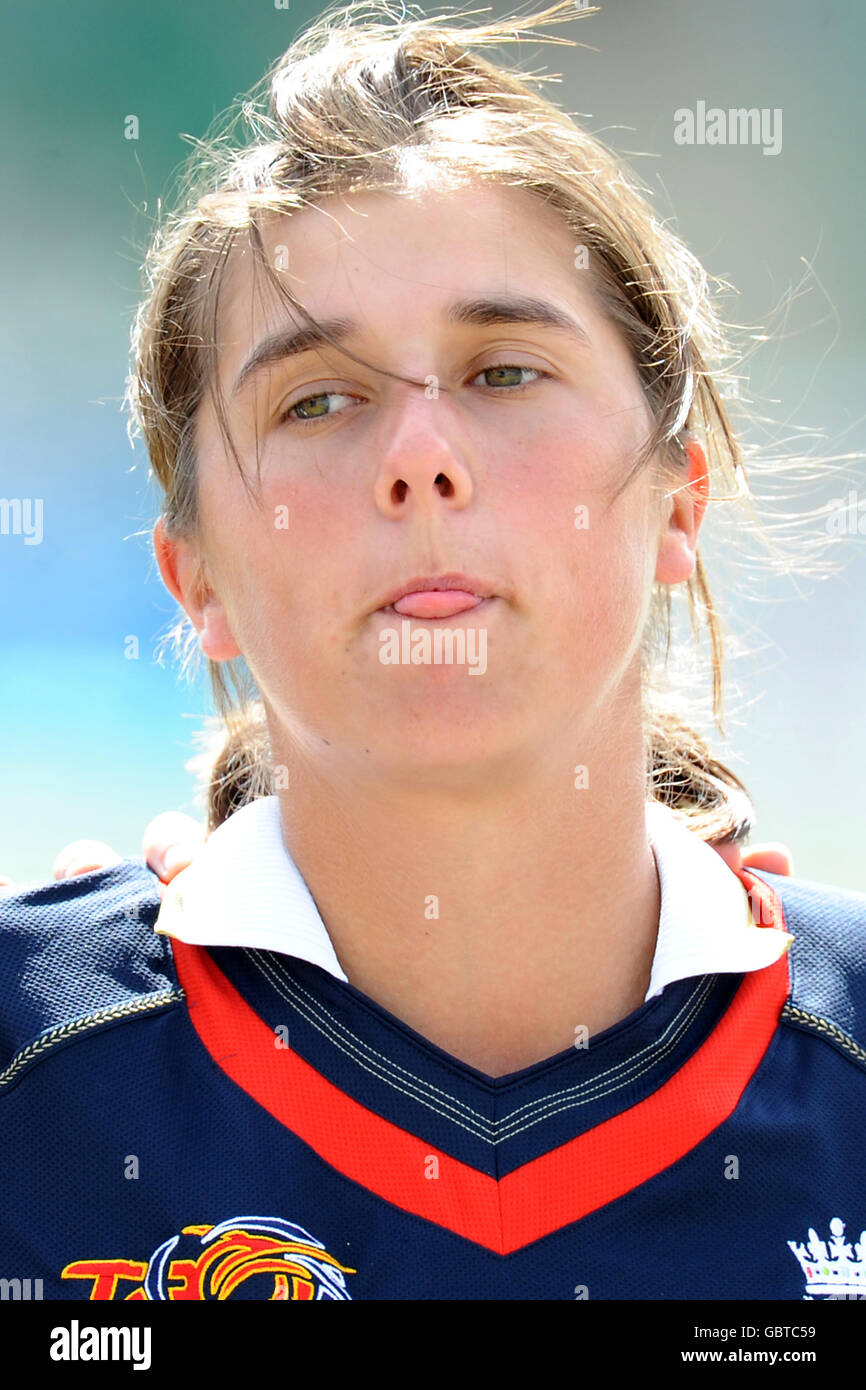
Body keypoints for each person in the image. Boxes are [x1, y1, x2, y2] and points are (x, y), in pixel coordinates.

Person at [1, 1, 864, 1302]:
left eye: (503, 371)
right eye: (319, 398)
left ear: (676, 501)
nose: (419, 459)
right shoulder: (33, 1071)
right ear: (199, 580)